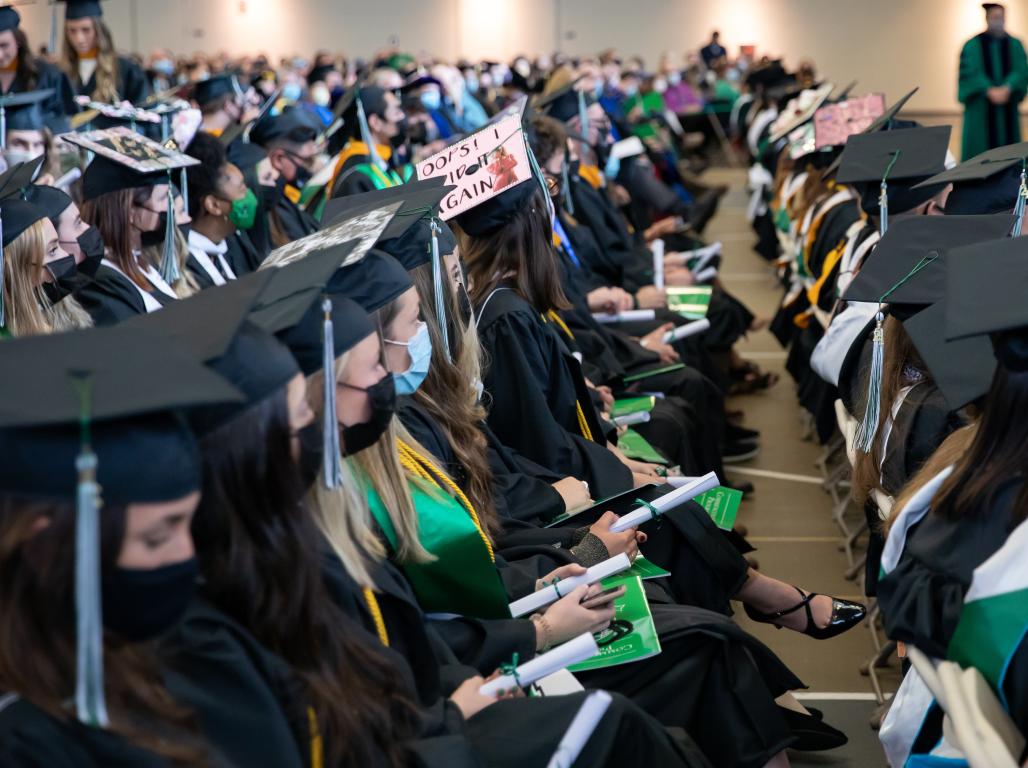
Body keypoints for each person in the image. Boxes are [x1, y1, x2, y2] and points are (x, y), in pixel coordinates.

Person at [0, 327, 241, 765]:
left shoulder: (141, 654)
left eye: (189, 525)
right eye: (157, 536)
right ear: (44, 543)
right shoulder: (24, 744)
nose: (186, 556)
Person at [76, 148, 183, 322]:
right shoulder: (99, 282)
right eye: (163, 198)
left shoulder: (140, 261)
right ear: (131, 212)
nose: (168, 208)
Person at [183, 132, 259, 287]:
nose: (249, 196)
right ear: (214, 205)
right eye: (241, 189)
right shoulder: (186, 266)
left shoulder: (234, 240)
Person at [0, 196, 78, 337]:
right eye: (52, 250)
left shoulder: (42, 305)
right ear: (18, 266)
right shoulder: (7, 339)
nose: (65, 255)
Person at [958, 3, 1028, 159]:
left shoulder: (1015, 44)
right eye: (994, 17)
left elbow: (1021, 70)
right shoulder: (972, 45)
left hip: (1007, 107)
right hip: (981, 109)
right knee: (978, 156)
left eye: (1001, 17)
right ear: (987, 18)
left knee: (1010, 157)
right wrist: (988, 89)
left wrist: (1008, 87)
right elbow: (969, 72)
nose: (998, 21)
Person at [249, 109, 320, 246]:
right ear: (278, 159)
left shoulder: (284, 194)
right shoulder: (271, 204)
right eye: (307, 160)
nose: (313, 166)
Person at [59, 0, 151, 105]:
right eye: (72, 31)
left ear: (99, 30)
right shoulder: (59, 72)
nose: (79, 39)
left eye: (86, 30)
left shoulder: (125, 69)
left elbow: (143, 110)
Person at [0, 5, 76, 132]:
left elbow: (64, 118)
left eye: (4, 45)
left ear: (18, 41)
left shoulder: (47, 73)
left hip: (38, 148)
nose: (0, 55)